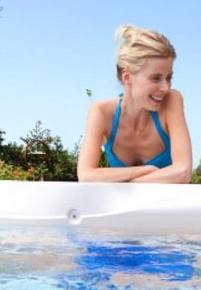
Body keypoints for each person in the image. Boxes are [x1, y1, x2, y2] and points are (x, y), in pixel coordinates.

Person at [77, 25, 192, 183]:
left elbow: (182, 172)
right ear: (127, 77)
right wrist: (147, 171)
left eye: (169, 77)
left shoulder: (171, 102)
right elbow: (85, 175)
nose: (166, 87)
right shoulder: (101, 113)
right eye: (156, 78)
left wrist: (125, 184)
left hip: (164, 207)